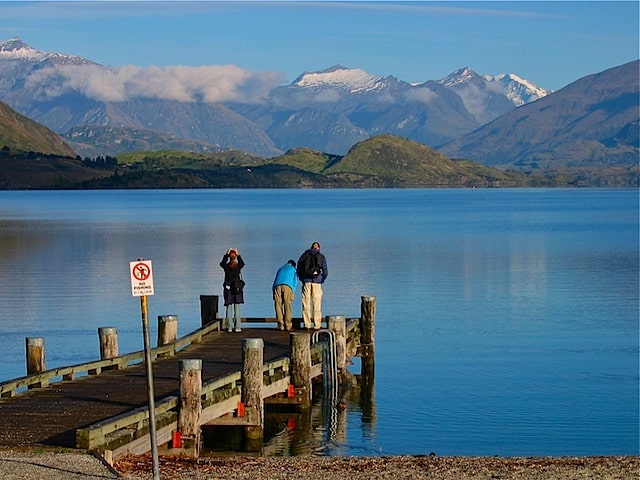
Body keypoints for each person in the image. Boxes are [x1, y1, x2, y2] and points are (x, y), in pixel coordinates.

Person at [296, 242, 328, 330]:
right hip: (317, 282)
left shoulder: (304, 255)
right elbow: (325, 271)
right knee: (317, 304)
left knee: (306, 304)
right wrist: (322, 279)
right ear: (319, 248)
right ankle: (317, 325)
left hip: (306, 281)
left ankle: (307, 325)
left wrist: (303, 279)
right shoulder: (321, 256)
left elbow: (298, 269)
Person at [220, 248, 245, 332]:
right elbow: (242, 263)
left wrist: (226, 255)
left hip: (228, 289)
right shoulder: (238, 267)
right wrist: (238, 255)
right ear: (235, 257)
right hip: (237, 288)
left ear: (230, 257)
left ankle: (229, 327)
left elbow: (222, 263)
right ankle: (237, 326)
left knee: (229, 307)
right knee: (237, 308)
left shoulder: (226, 267)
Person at [272, 260, 298, 331]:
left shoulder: (280, 268)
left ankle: (281, 325)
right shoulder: (293, 269)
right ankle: (288, 325)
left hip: (277, 286)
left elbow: (275, 279)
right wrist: (293, 292)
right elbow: (295, 281)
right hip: (287, 286)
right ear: (293, 265)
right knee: (287, 305)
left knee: (278, 305)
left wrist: (273, 291)